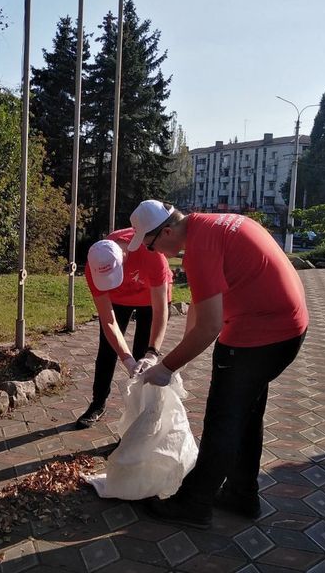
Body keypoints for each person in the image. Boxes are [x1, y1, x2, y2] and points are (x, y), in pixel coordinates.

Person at [127, 200, 308, 529]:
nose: (157, 254)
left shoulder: (198, 249)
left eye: (152, 245)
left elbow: (210, 327)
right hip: (287, 328)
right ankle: (242, 494)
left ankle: (194, 504)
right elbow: (201, 302)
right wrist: (179, 354)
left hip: (261, 333)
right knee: (247, 414)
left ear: (166, 231)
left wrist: (166, 367)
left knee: (223, 420)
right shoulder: (212, 226)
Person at [77, 229, 172, 429]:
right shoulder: (94, 264)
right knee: (107, 350)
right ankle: (98, 403)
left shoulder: (151, 253)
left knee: (142, 355)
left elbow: (160, 309)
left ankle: (141, 413)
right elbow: (108, 320)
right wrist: (126, 359)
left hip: (151, 299)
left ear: (124, 257)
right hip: (119, 299)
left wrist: (152, 352)